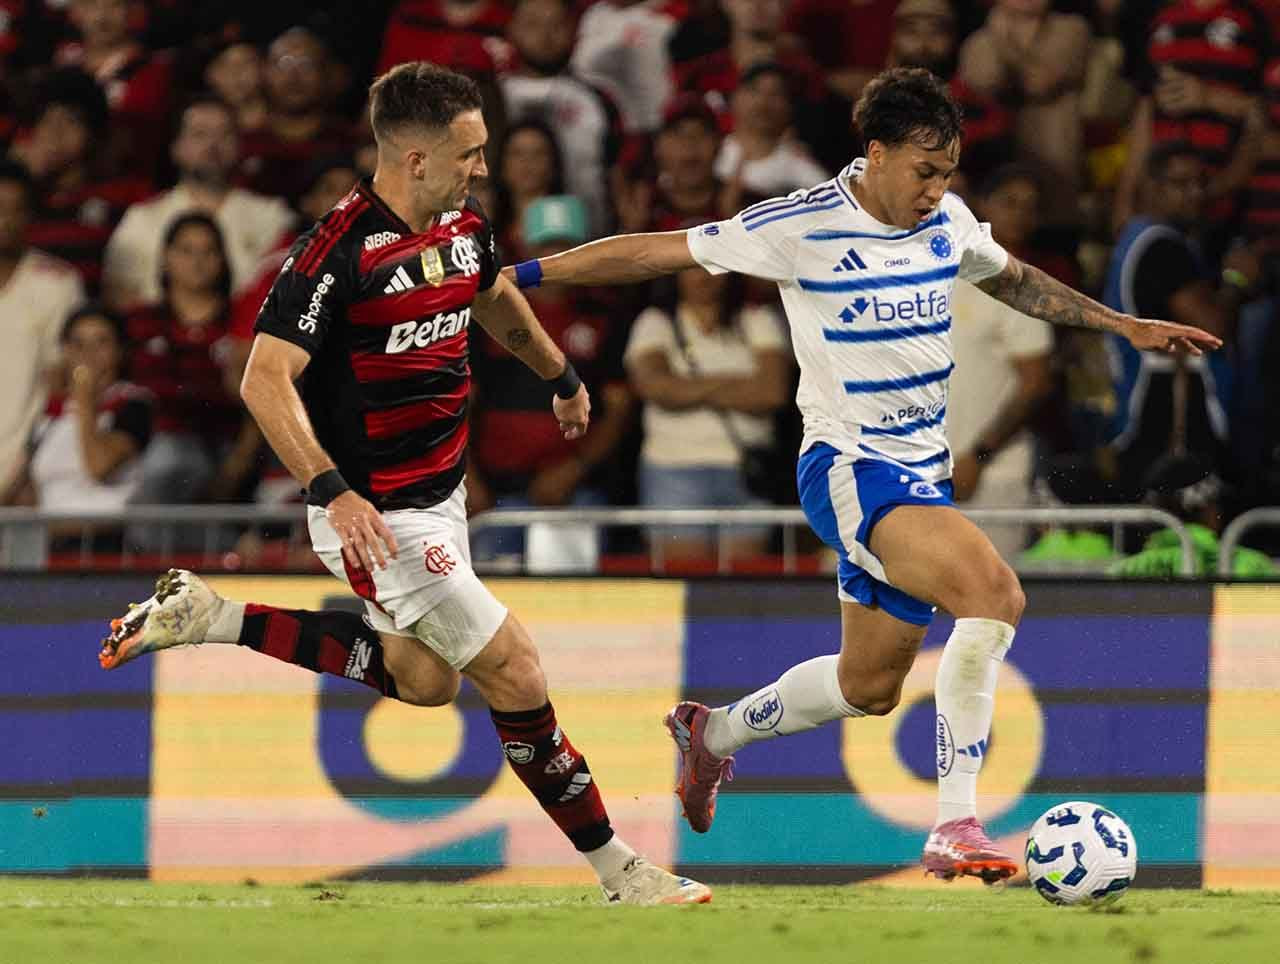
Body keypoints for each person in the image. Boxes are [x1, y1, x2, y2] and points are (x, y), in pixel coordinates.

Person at [499, 67, 1220, 882]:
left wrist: (1122, 325)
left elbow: (1013, 277)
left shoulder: (945, 219)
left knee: (869, 683)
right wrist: (523, 276)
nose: (937, 189)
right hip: (850, 466)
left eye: (947, 172)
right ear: (875, 153)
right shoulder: (798, 225)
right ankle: (956, 825)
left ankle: (712, 734)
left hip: (923, 475)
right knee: (995, 595)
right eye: (924, 170)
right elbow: (652, 254)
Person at [97, 61, 710, 907]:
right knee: (517, 670)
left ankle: (215, 615)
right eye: (469, 152)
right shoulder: (335, 251)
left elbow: (488, 296)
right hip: (375, 515)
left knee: (424, 681)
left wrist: (560, 373)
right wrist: (332, 492)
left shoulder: (462, 222)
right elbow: (264, 379)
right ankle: (621, 871)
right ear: (414, 158)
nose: (484, 167)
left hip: (441, 498)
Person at [625, 265, 790, 561]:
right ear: (676, 275)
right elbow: (657, 389)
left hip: (746, 468)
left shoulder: (756, 318)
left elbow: (772, 392)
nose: (702, 277)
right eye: (691, 269)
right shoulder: (656, 321)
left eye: (712, 268)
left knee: (741, 588)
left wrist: (686, 385)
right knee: (682, 580)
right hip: (673, 468)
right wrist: (736, 383)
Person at [102, 96, 294, 311]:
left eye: (225, 134)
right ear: (175, 148)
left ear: (240, 144)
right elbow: (118, 293)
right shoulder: (142, 218)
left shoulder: (271, 216)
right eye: (199, 134)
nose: (213, 145)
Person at [3, 304, 152, 553]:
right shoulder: (50, 416)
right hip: (50, 546)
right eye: (78, 345)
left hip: (104, 545)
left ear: (120, 350)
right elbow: (25, 489)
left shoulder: (133, 404)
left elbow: (98, 467)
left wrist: (84, 400)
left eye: (101, 343)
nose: (89, 355)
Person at [0, 160, 86, 495]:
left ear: (30, 215)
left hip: (29, 465)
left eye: (15, 209)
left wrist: (33, 464)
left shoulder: (60, 284)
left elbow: (62, 382)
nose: (5, 220)